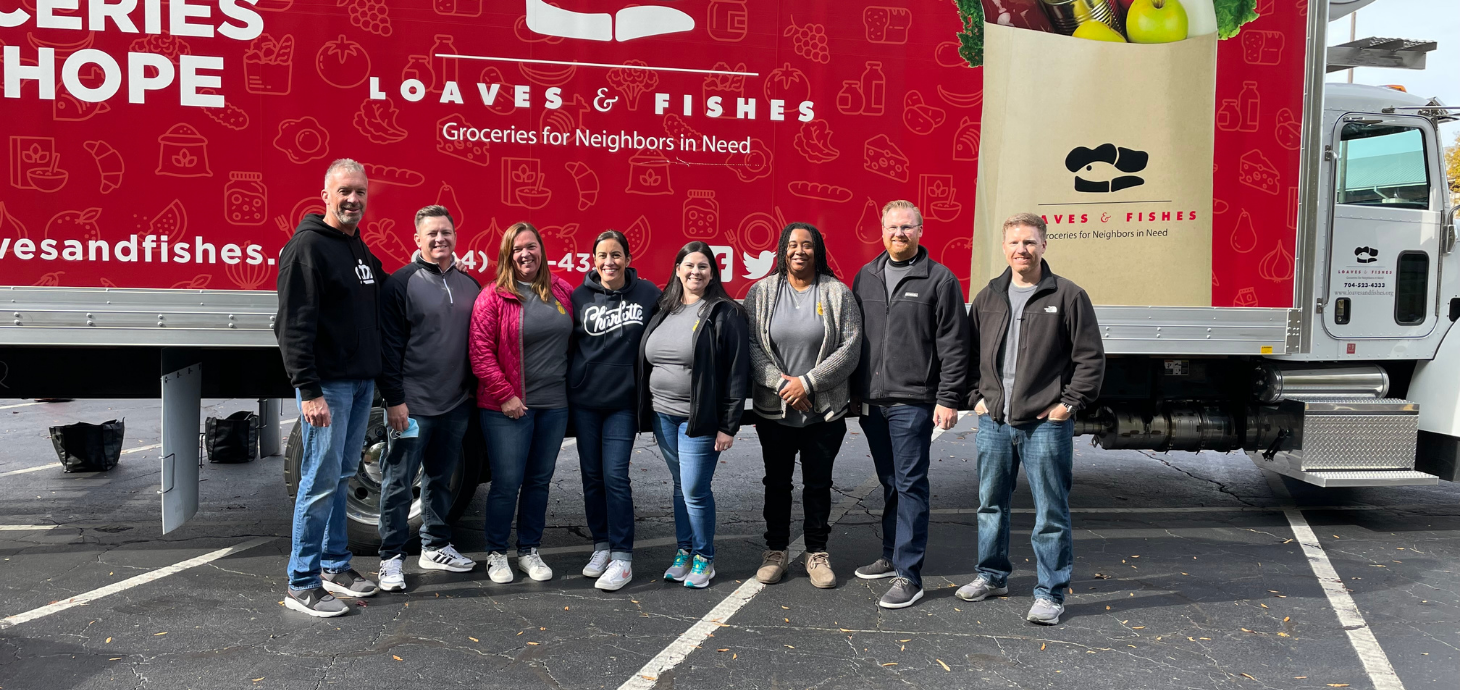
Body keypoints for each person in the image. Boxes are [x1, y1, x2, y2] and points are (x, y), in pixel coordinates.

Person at [956, 213, 1104, 626]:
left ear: (1044, 245)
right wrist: (975, 399)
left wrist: (1067, 405)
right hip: (995, 423)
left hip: (1045, 425)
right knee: (990, 505)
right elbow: (968, 356)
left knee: (1050, 511)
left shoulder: (1068, 295)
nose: (1022, 249)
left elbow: (1090, 359)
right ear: (1004, 248)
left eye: (1030, 242)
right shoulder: (989, 296)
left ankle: (1050, 593)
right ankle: (991, 575)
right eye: (1015, 242)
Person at [275, 158, 387, 617]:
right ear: (325, 195)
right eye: (345, 191)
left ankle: (335, 565)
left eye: (360, 192)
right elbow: (292, 326)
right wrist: (310, 390)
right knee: (319, 481)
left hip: (359, 384)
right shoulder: (307, 248)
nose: (353, 200)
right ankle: (301, 583)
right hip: (330, 387)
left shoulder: (357, 248)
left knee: (340, 477)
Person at [850, 200, 971, 610]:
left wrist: (949, 397)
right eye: (892, 227)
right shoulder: (865, 276)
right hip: (873, 402)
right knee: (890, 481)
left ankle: (909, 575)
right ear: (880, 230)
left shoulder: (939, 279)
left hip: (913, 402)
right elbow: (854, 341)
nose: (898, 234)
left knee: (911, 484)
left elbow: (955, 346)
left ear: (921, 230)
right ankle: (890, 554)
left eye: (907, 227)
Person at [744, 223, 861, 589]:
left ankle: (816, 552)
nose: (799, 251)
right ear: (782, 250)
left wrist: (807, 383)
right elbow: (751, 345)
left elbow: (851, 347)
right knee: (776, 483)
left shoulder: (837, 292)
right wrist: (783, 385)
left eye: (807, 245)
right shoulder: (761, 292)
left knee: (818, 484)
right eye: (792, 245)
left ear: (817, 251)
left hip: (822, 411)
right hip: (774, 410)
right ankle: (775, 551)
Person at [375, 205, 482, 593]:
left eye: (446, 233)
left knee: (441, 479)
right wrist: (394, 400)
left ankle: (435, 546)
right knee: (399, 482)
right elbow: (388, 348)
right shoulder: (400, 284)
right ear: (417, 239)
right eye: (432, 233)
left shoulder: (471, 285)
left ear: (456, 237)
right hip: (412, 407)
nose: (440, 239)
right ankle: (390, 559)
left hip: (455, 405)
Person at [639, 241, 750, 589]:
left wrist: (729, 425)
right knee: (679, 487)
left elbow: (737, 371)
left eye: (703, 266)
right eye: (688, 265)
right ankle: (684, 551)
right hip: (662, 415)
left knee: (694, 489)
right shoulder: (664, 308)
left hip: (698, 418)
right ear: (677, 270)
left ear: (712, 273)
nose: (695, 272)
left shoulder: (724, 312)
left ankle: (705, 557)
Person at [469, 222, 575, 584]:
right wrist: (507, 396)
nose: (525, 254)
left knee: (539, 481)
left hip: (554, 406)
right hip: (507, 408)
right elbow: (480, 353)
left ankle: (529, 550)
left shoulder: (562, 292)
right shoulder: (493, 296)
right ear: (507, 256)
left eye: (531, 246)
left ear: (541, 250)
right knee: (506, 482)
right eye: (517, 249)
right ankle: (497, 554)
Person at [568, 230, 661, 591]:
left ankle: (623, 557)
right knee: (591, 477)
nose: (610, 262)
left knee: (615, 477)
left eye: (617, 255)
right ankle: (601, 546)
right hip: (585, 402)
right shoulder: (578, 297)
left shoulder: (648, 294)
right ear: (593, 260)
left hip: (623, 403)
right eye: (603, 255)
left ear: (628, 258)